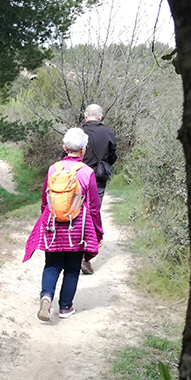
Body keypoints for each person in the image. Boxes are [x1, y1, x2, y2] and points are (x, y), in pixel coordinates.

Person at [23, 128, 103, 322]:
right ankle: (65, 307)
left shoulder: (53, 169)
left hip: (53, 226)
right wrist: (98, 233)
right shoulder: (87, 172)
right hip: (77, 229)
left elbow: (44, 200)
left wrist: (48, 219)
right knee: (72, 269)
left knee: (52, 265)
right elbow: (93, 207)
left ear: (64, 147)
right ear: (84, 150)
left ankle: (46, 297)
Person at [80, 104, 117, 275]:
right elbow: (112, 157)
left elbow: (66, 154)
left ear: (86, 116)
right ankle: (85, 258)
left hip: (78, 177)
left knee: (76, 213)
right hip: (98, 179)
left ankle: (71, 251)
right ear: (100, 117)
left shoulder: (78, 132)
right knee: (93, 215)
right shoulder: (108, 133)